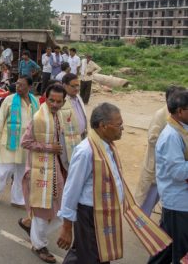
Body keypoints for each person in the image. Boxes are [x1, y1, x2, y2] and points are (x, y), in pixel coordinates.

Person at [57, 103, 171, 264]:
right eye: (119, 125)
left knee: (99, 255)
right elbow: (71, 190)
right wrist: (67, 227)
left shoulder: (108, 146)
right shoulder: (86, 151)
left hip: (106, 212)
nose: (122, 128)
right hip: (89, 215)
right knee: (91, 258)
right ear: (103, 126)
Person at [20, 83, 67, 264]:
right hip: (38, 170)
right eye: (51, 100)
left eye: (58, 101)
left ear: (63, 102)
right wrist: (49, 148)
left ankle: (30, 226)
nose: (54, 104)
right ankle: (39, 245)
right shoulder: (38, 118)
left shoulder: (59, 117)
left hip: (55, 168)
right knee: (42, 209)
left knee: (61, 208)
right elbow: (25, 142)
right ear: (45, 99)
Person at [149, 90, 188, 263]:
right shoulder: (171, 135)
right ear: (180, 111)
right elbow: (179, 172)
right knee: (178, 252)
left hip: (180, 202)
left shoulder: (182, 129)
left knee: (165, 247)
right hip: (178, 203)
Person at [136, 85, 186, 216]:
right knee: (148, 198)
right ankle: (141, 224)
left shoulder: (181, 119)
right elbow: (152, 137)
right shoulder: (161, 115)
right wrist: (171, 145)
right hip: (157, 162)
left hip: (171, 162)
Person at [0, 75, 39, 208]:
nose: (18, 87)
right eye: (17, 84)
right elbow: (0, 119)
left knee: (22, 173)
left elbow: (39, 121)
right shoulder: (9, 99)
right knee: (3, 169)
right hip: (9, 141)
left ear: (30, 87)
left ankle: (17, 200)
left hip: (26, 144)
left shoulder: (35, 101)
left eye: (22, 85)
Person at [61, 73, 88, 141]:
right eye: (73, 86)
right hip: (69, 139)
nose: (77, 88)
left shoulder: (78, 97)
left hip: (82, 136)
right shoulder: (61, 100)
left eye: (78, 86)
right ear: (64, 86)